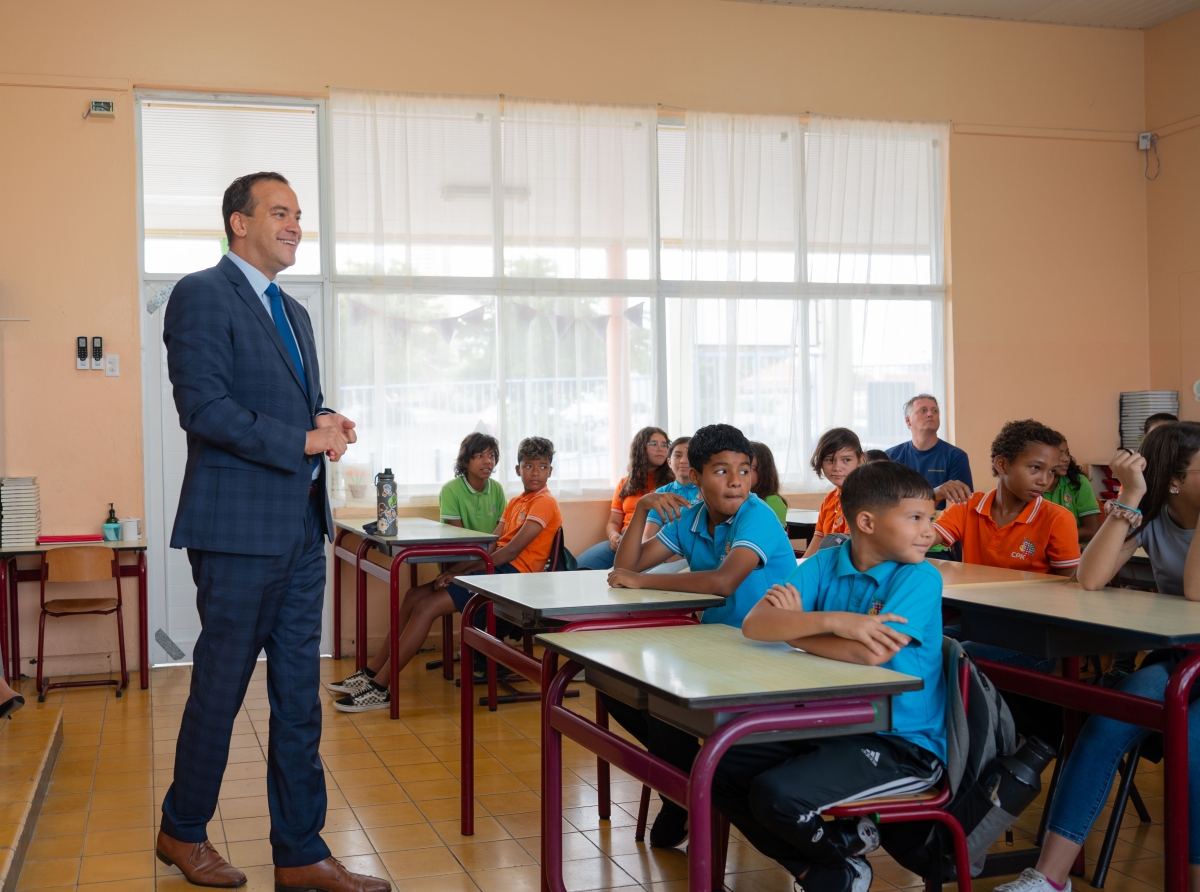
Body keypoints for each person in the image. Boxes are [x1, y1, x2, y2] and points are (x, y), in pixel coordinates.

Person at [159, 172, 387, 891]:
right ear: (238, 223)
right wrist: (302, 440)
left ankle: (301, 852)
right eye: (279, 212)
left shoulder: (296, 311)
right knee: (221, 692)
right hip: (235, 533)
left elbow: (299, 407)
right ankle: (182, 831)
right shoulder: (201, 294)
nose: (294, 225)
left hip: (298, 532)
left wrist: (327, 422)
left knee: (298, 699)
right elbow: (207, 410)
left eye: (298, 215)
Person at [713, 461, 946, 892]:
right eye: (916, 518)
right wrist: (837, 621)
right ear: (866, 522)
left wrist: (802, 632)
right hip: (837, 726)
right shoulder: (824, 563)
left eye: (930, 518)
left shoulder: (920, 577)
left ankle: (832, 857)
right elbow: (756, 624)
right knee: (717, 766)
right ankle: (828, 867)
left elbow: (871, 653)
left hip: (902, 743)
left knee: (777, 794)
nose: (929, 530)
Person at [994, 422, 1200, 892]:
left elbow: (1196, 591)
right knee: (1103, 722)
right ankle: (1049, 877)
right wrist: (1130, 497)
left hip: (1190, 666)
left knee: (1191, 742)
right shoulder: (1157, 516)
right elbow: (1089, 579)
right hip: (1184, 660)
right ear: (1173, 481)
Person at [604, 423, 797, 847]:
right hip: (716, 649)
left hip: (769, 652)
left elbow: (723, 582)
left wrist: (642, 583)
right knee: (619, 691)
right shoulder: (691, 519)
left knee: (665, 706)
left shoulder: (757, 516)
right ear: (694, 475)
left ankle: (690, 795)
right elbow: (627, 566)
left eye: (744, 471)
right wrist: (641, 512)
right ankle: (690, 792)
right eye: (722, 471)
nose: (736, 482)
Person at [329, 437, 560, 712]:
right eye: (529, 466)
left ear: (550, 471)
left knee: (427, 605)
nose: (536, 472)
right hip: (493, 570)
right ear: (517, 469)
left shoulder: (544, 503)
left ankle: (380, 688)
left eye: (543, 466)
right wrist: (457, 572)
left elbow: (509, 553)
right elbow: (489, 544)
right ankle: (371, 672)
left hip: (512, 580)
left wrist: (465, 572)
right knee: (414, 594)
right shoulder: (516, 502)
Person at [933, 420, 1080, 577]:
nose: (1044, 481)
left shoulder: (1057, 518)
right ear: (1002, 465)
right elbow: (917, 541)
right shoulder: (967, 505)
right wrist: (933, 496)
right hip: (974, 600)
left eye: (1051, 471)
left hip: (1030, 601)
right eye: (1035, 468)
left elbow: (1070, 584)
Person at [577, 427, 672, 570]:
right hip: (624, 537)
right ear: (640, 448)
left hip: (655, 538)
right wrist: (613, 537)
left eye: (664, 445)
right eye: (654, 444)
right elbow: (613, 522)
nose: (660, 449)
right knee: (578, 566)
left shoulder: (673, 483)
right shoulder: (625, 483)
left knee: (621, 572)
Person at [886, 394, 973, 507]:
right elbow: (886, 504)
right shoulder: (890, 457)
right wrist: (935, 494)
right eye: (923, 410)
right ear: (908, 420)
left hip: (941, 524)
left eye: (934, 411)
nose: (930, 414)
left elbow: (961, 507)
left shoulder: (956, 457)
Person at [802, 428, 864, 558]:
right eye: (830, 460)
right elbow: (813, 551)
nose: (837, 468)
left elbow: (850, 554)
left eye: (846, 460)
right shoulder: (830, 499)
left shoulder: (865, 500)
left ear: (860, 460)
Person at [641, 436, 697, 575]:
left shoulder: (707, 492)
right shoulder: (661, 493)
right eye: (677, 455)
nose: (683, 460)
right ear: (669, 462)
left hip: (690, 558)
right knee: (617, 572)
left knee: (650, 577)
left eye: (689, 456)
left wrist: (680, 555)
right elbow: (648, 536)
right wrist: (661, 555)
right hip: (661, 553)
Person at [1043, 435, 1102, 541]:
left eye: (1067, 453)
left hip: (1077, 548)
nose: (1066, 459)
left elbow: (1092, 530)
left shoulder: (1078, 482)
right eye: (1059, 453)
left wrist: (1050, 538)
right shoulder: (1031, 486)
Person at [750, 441, 788, 526]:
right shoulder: (739, 498)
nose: (743, 474)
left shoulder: (773, 502)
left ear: (764, 472)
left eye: (751, 469)